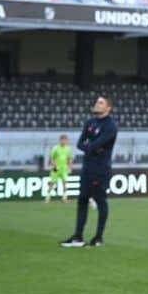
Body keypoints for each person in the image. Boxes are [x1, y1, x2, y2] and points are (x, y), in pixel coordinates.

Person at [61, 96, 118, 248]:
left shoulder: (110, 125)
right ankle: (78, 236)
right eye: (97, 102)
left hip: (100, 169)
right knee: (82, 200)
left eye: (101, 103)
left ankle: (98, 237)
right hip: (87, 167)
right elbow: (81, 143)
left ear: (108, 108)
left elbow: (98, 144)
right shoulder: (90, 122)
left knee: (100, 201)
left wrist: (91, 146)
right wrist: (92, 147)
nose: (97, 105)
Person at [45, 134, 73, 204]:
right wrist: (54, 166)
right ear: (60, 140)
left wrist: (69, 167)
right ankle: (47, 198)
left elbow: (69, 159)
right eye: (62, 140)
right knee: (52, 183)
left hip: (64, 169)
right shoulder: (55, 148)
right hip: (56, 168)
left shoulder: (68, 149)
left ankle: (64, 198)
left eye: (65, 140)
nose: (64, 142)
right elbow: (51, 158)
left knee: (65, 183)